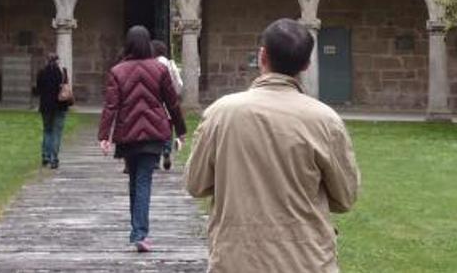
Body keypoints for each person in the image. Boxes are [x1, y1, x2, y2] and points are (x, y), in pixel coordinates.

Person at [186, 18, 360, 273]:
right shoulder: (325, 120)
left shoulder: (221, 114)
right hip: (307, 260)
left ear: (262, 56)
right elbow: (345, 197)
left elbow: (196, 184)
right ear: (306, 64)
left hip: (237, 260)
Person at [99, 26, 187, 253]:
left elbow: (111, 106)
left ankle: (137, 230)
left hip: (127, 134)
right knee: (143, 181)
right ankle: (140, 233)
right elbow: (172, 102)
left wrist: (104, 136)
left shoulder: (117, 71)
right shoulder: (159, 69)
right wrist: (180, 129)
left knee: (134, 181)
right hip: (153, 132)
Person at [33, 53, 70, 169]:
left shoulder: (41, 73)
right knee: (56, 133)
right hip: (60, 106)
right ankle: (54, 158)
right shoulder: (62, 73)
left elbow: (38, 90)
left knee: (47, 131)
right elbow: (66, 88)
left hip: (46, 107)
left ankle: (45, 156)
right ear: (57, 61)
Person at [152, 40, 183, 171]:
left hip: (156, 102)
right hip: (170, 102)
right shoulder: (171, 64)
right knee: (168, 130)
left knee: (154, 129)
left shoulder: (153, 65)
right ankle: (166, 150)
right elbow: (179, 84)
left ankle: (155, 157)